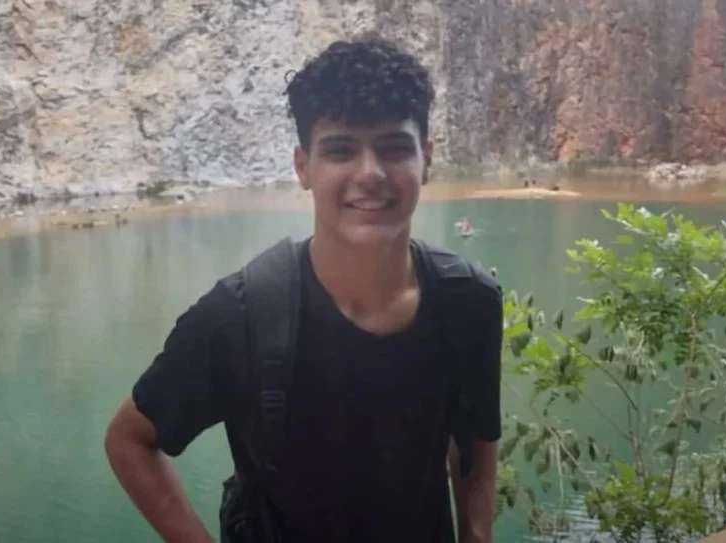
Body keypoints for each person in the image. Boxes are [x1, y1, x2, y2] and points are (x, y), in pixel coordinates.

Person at [104, 36, 503, 543]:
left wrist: (477, 535)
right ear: (303, 167)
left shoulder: (469, 301)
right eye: (340, 150)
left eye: (394, 147)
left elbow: (475, 439)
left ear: (426, 159)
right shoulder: (243, 315)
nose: (370, 173)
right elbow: (129, 440)